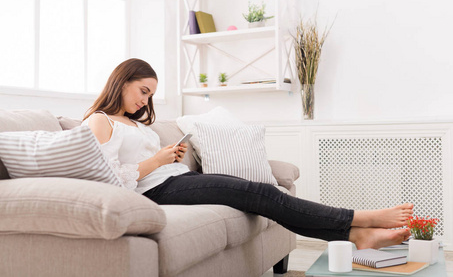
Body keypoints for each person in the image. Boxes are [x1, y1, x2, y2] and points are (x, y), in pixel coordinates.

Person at [83, 58, 413, 250]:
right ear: (122, 81)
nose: (145, 100)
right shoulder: (99, 122)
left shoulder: (131, 123)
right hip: (156, 191)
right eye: (143, 91)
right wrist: (158, 160)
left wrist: (169, 156)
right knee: (261, 192)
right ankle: (359, 219)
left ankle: (356, 235)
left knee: (260, 194)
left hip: (178, 179)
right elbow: (107, 179)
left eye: (150, 95)